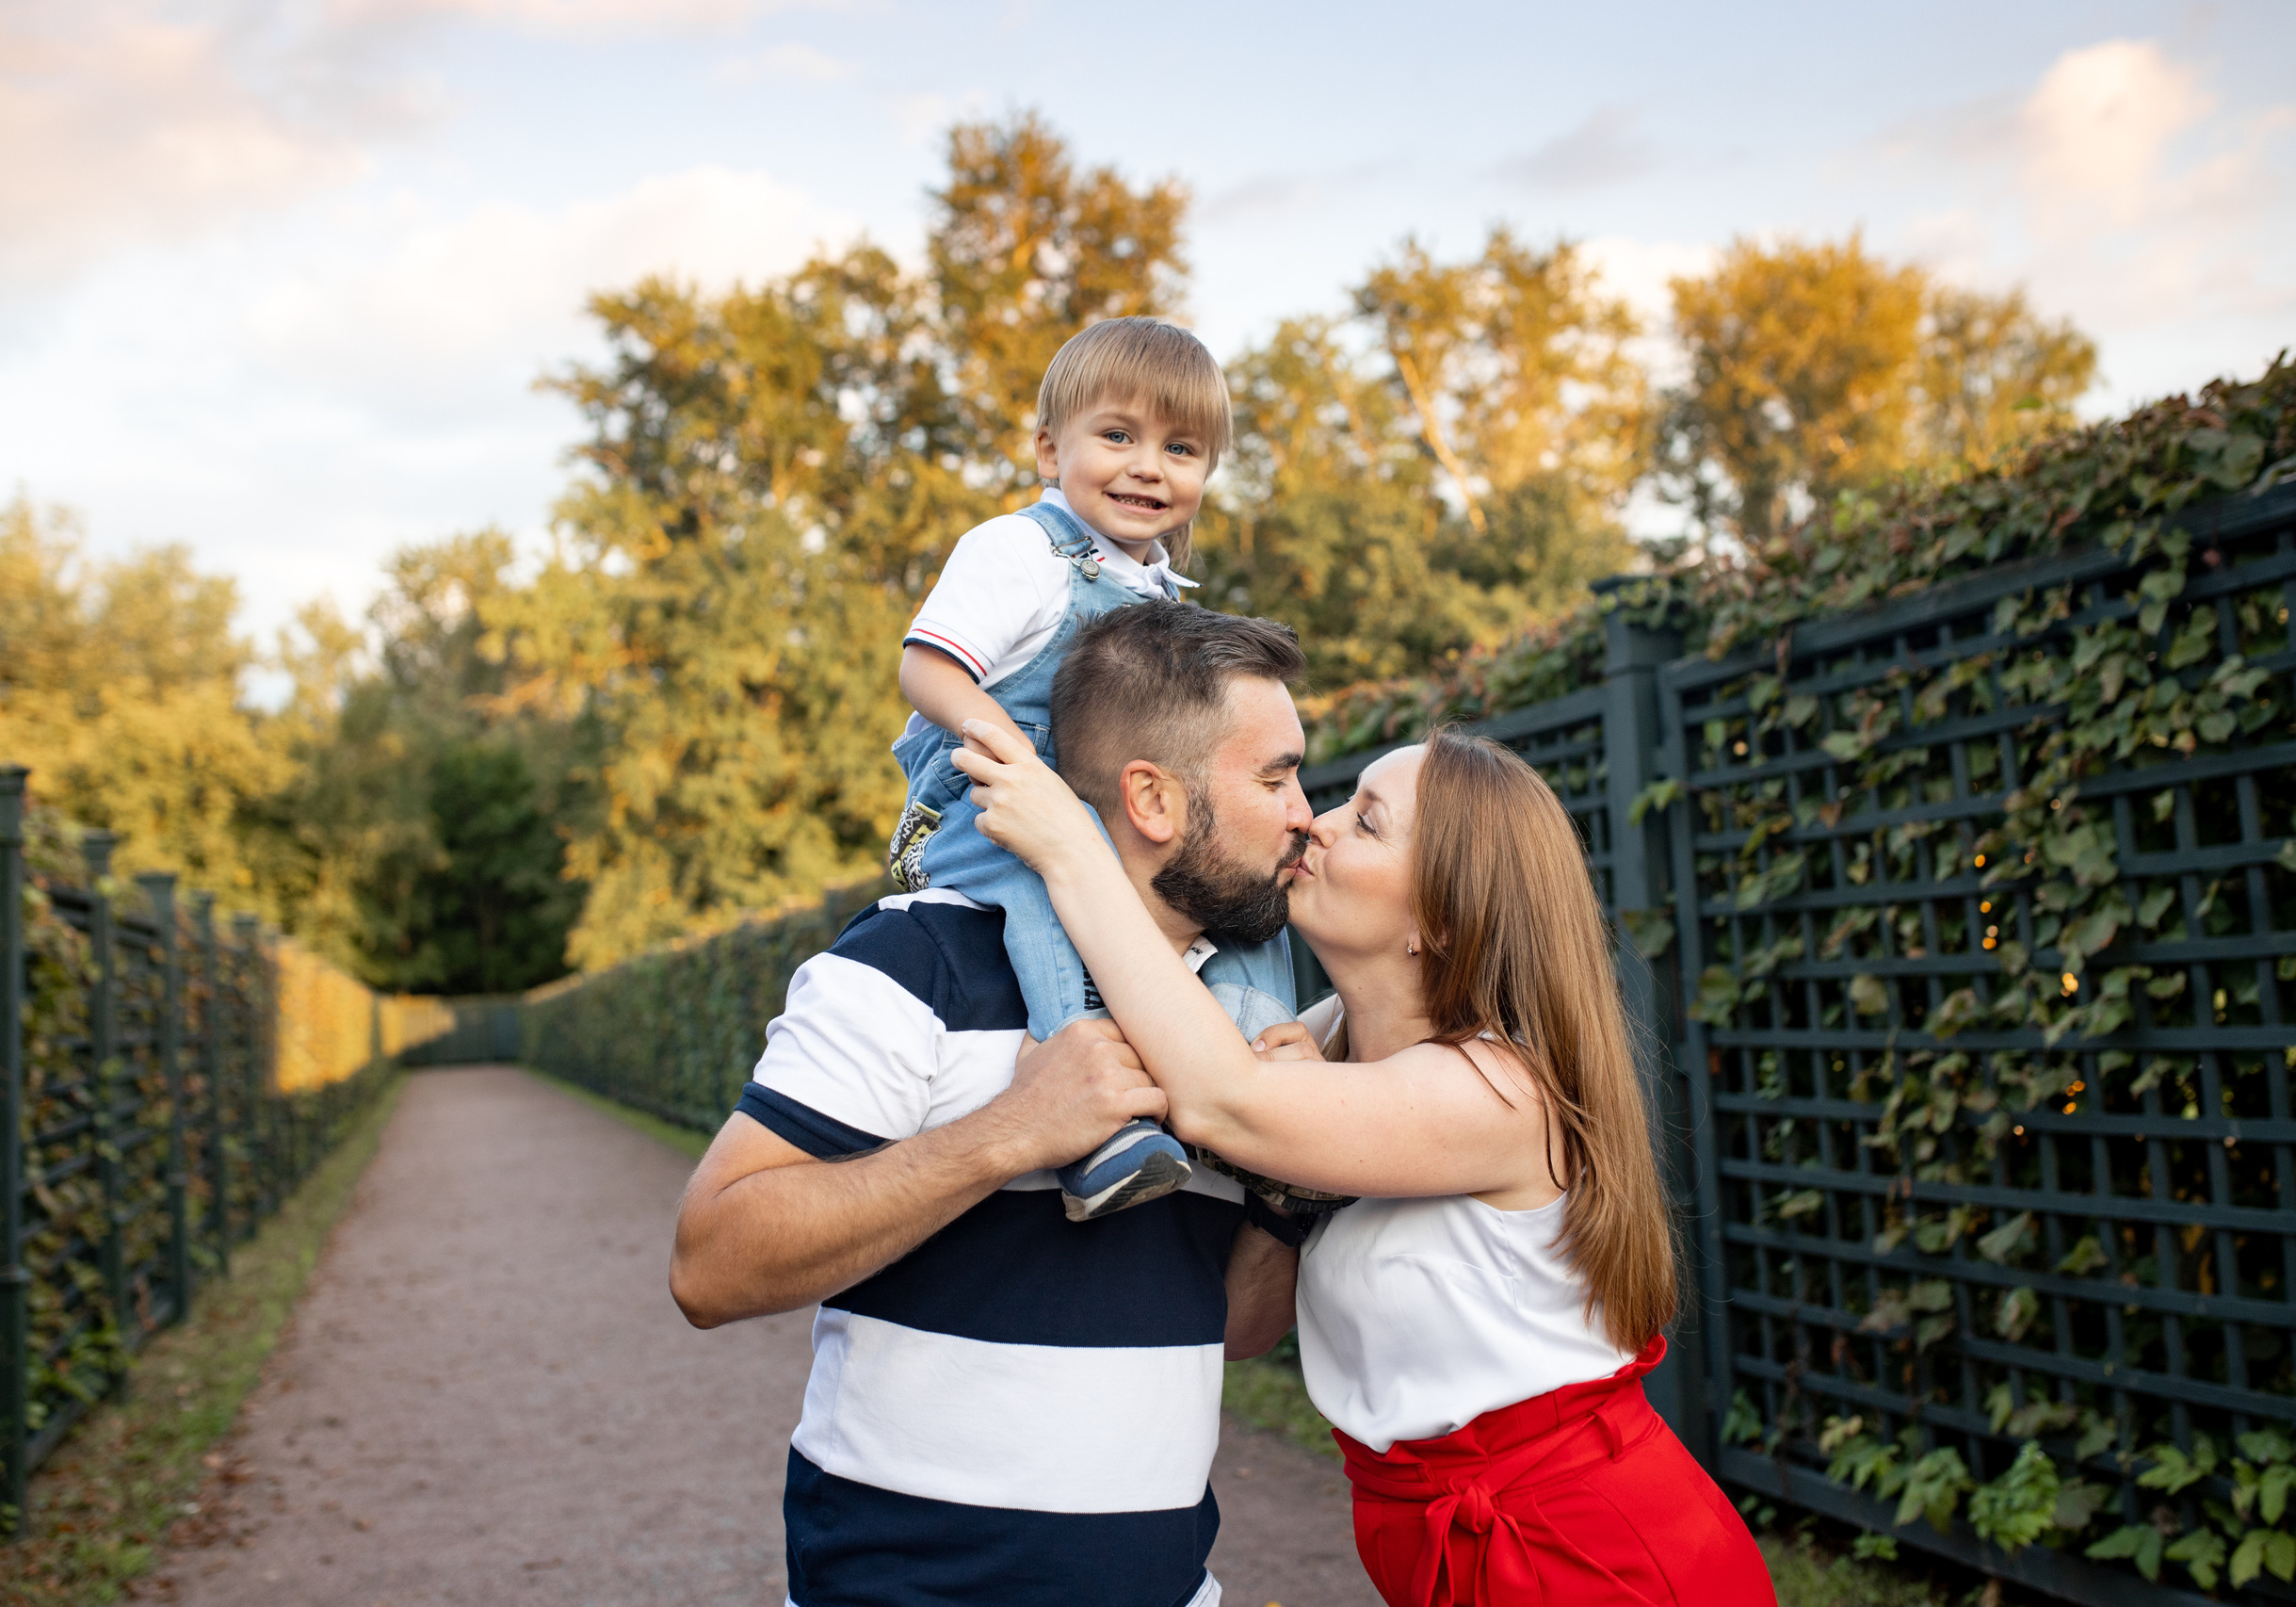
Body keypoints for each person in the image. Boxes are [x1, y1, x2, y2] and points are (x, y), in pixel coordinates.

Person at [960, 713, 1779, 1606]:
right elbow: (1241, 1325)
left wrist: (1070, 852)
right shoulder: (1323, 1046)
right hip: (1428, 1539)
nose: (1317, 821)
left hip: (1586, 1553)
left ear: (1439, 915)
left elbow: (1219, 1100)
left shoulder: (1501, 1091)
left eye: (1369, 821)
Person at [668, 606, 1328, 1607]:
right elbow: (711, 1263)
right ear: (1151, 796)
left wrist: (1284, 1195)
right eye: (1275, 777)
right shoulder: (917, 958)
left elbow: (1224, 1326)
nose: (1304, 814)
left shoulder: (1234, 1029)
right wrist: (1012, 1132)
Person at [887, 315, 1306, 1222]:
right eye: (1118, 436)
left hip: (1109, 809)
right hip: (991, 802)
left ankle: (1260, 1093)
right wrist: (1014, 765)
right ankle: (1092, 1116)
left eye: (1181, 447)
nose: (1149, 467)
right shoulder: (1020, 551)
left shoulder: (1158, 587)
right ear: (1049, 448)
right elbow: (925, 667)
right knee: (1052, 890)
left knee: (1246, 902)